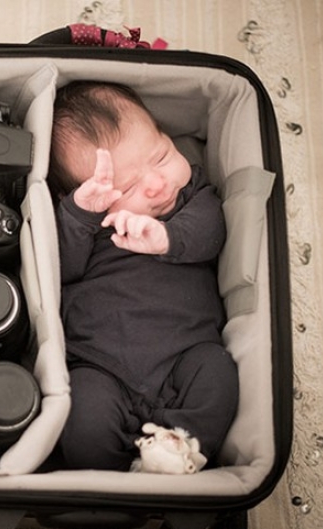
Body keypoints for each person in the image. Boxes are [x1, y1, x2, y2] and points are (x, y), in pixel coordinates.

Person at [47, 81, 238, 472]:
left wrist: (167, 237)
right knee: (81, 419)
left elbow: (211, 233)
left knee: (218, 372)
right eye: (129, 186)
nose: (157, 184)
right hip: (102, 367)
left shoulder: (191, 198)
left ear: (167, 137)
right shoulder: (92, 224)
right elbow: (60, 270)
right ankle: (113, 474)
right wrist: (79, 216)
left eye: (163, 156)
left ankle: (180, 451)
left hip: (186, 358)